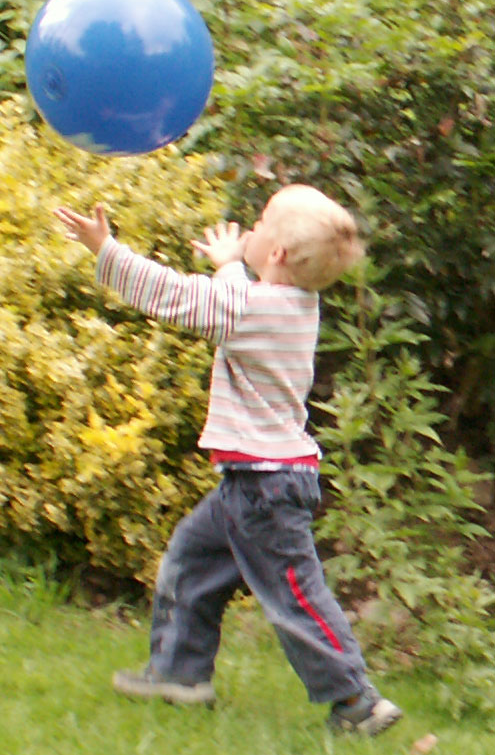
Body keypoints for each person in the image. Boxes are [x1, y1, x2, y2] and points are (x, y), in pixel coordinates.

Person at [54, 184, 402, 736]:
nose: (251, 229)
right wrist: (230, 265)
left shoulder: (248, 305)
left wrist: (106, 250)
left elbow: (174, 295)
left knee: (295, 594)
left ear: (279, 254)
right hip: (259, 483)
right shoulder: (295, 304)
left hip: (264, 488)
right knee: (191, 563)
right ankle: (179, 674)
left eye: (261, 223)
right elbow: (239, 299)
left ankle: (357, 701)